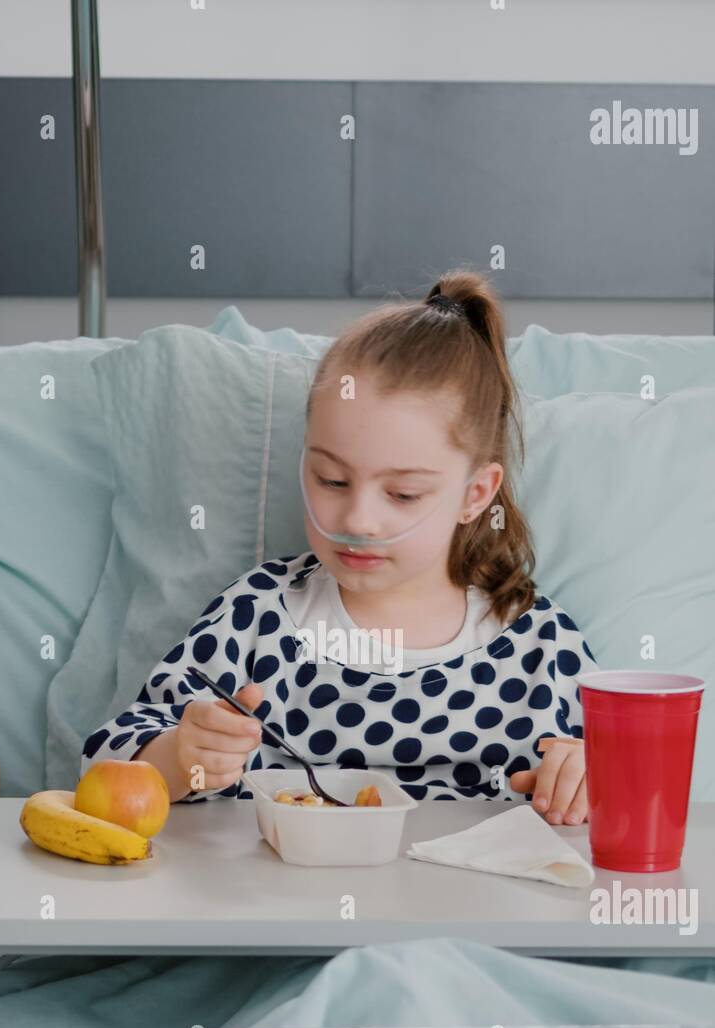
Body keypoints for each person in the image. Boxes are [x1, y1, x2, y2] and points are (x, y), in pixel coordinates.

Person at [81, 269, 597, 825]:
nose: (358, 520)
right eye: (332, 480)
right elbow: (107, 765)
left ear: (475, 495)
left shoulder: (540, 646)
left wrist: (589, 777)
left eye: (403, 493)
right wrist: (181, 760)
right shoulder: (258, 616)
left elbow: (620, 782)